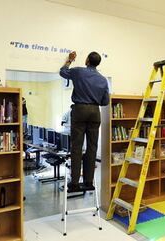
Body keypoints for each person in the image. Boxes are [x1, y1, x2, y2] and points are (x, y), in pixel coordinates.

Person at [59, 51, 109, 192]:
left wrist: (70, 60)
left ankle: (74, 183)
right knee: (92, 147)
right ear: (98, 63)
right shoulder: (103, 80)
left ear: (87, 60)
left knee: (76, 147)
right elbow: (105, 101)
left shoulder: (79, 72)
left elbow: (63, 72)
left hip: (80, 110)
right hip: (95, 112)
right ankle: (88, 182)